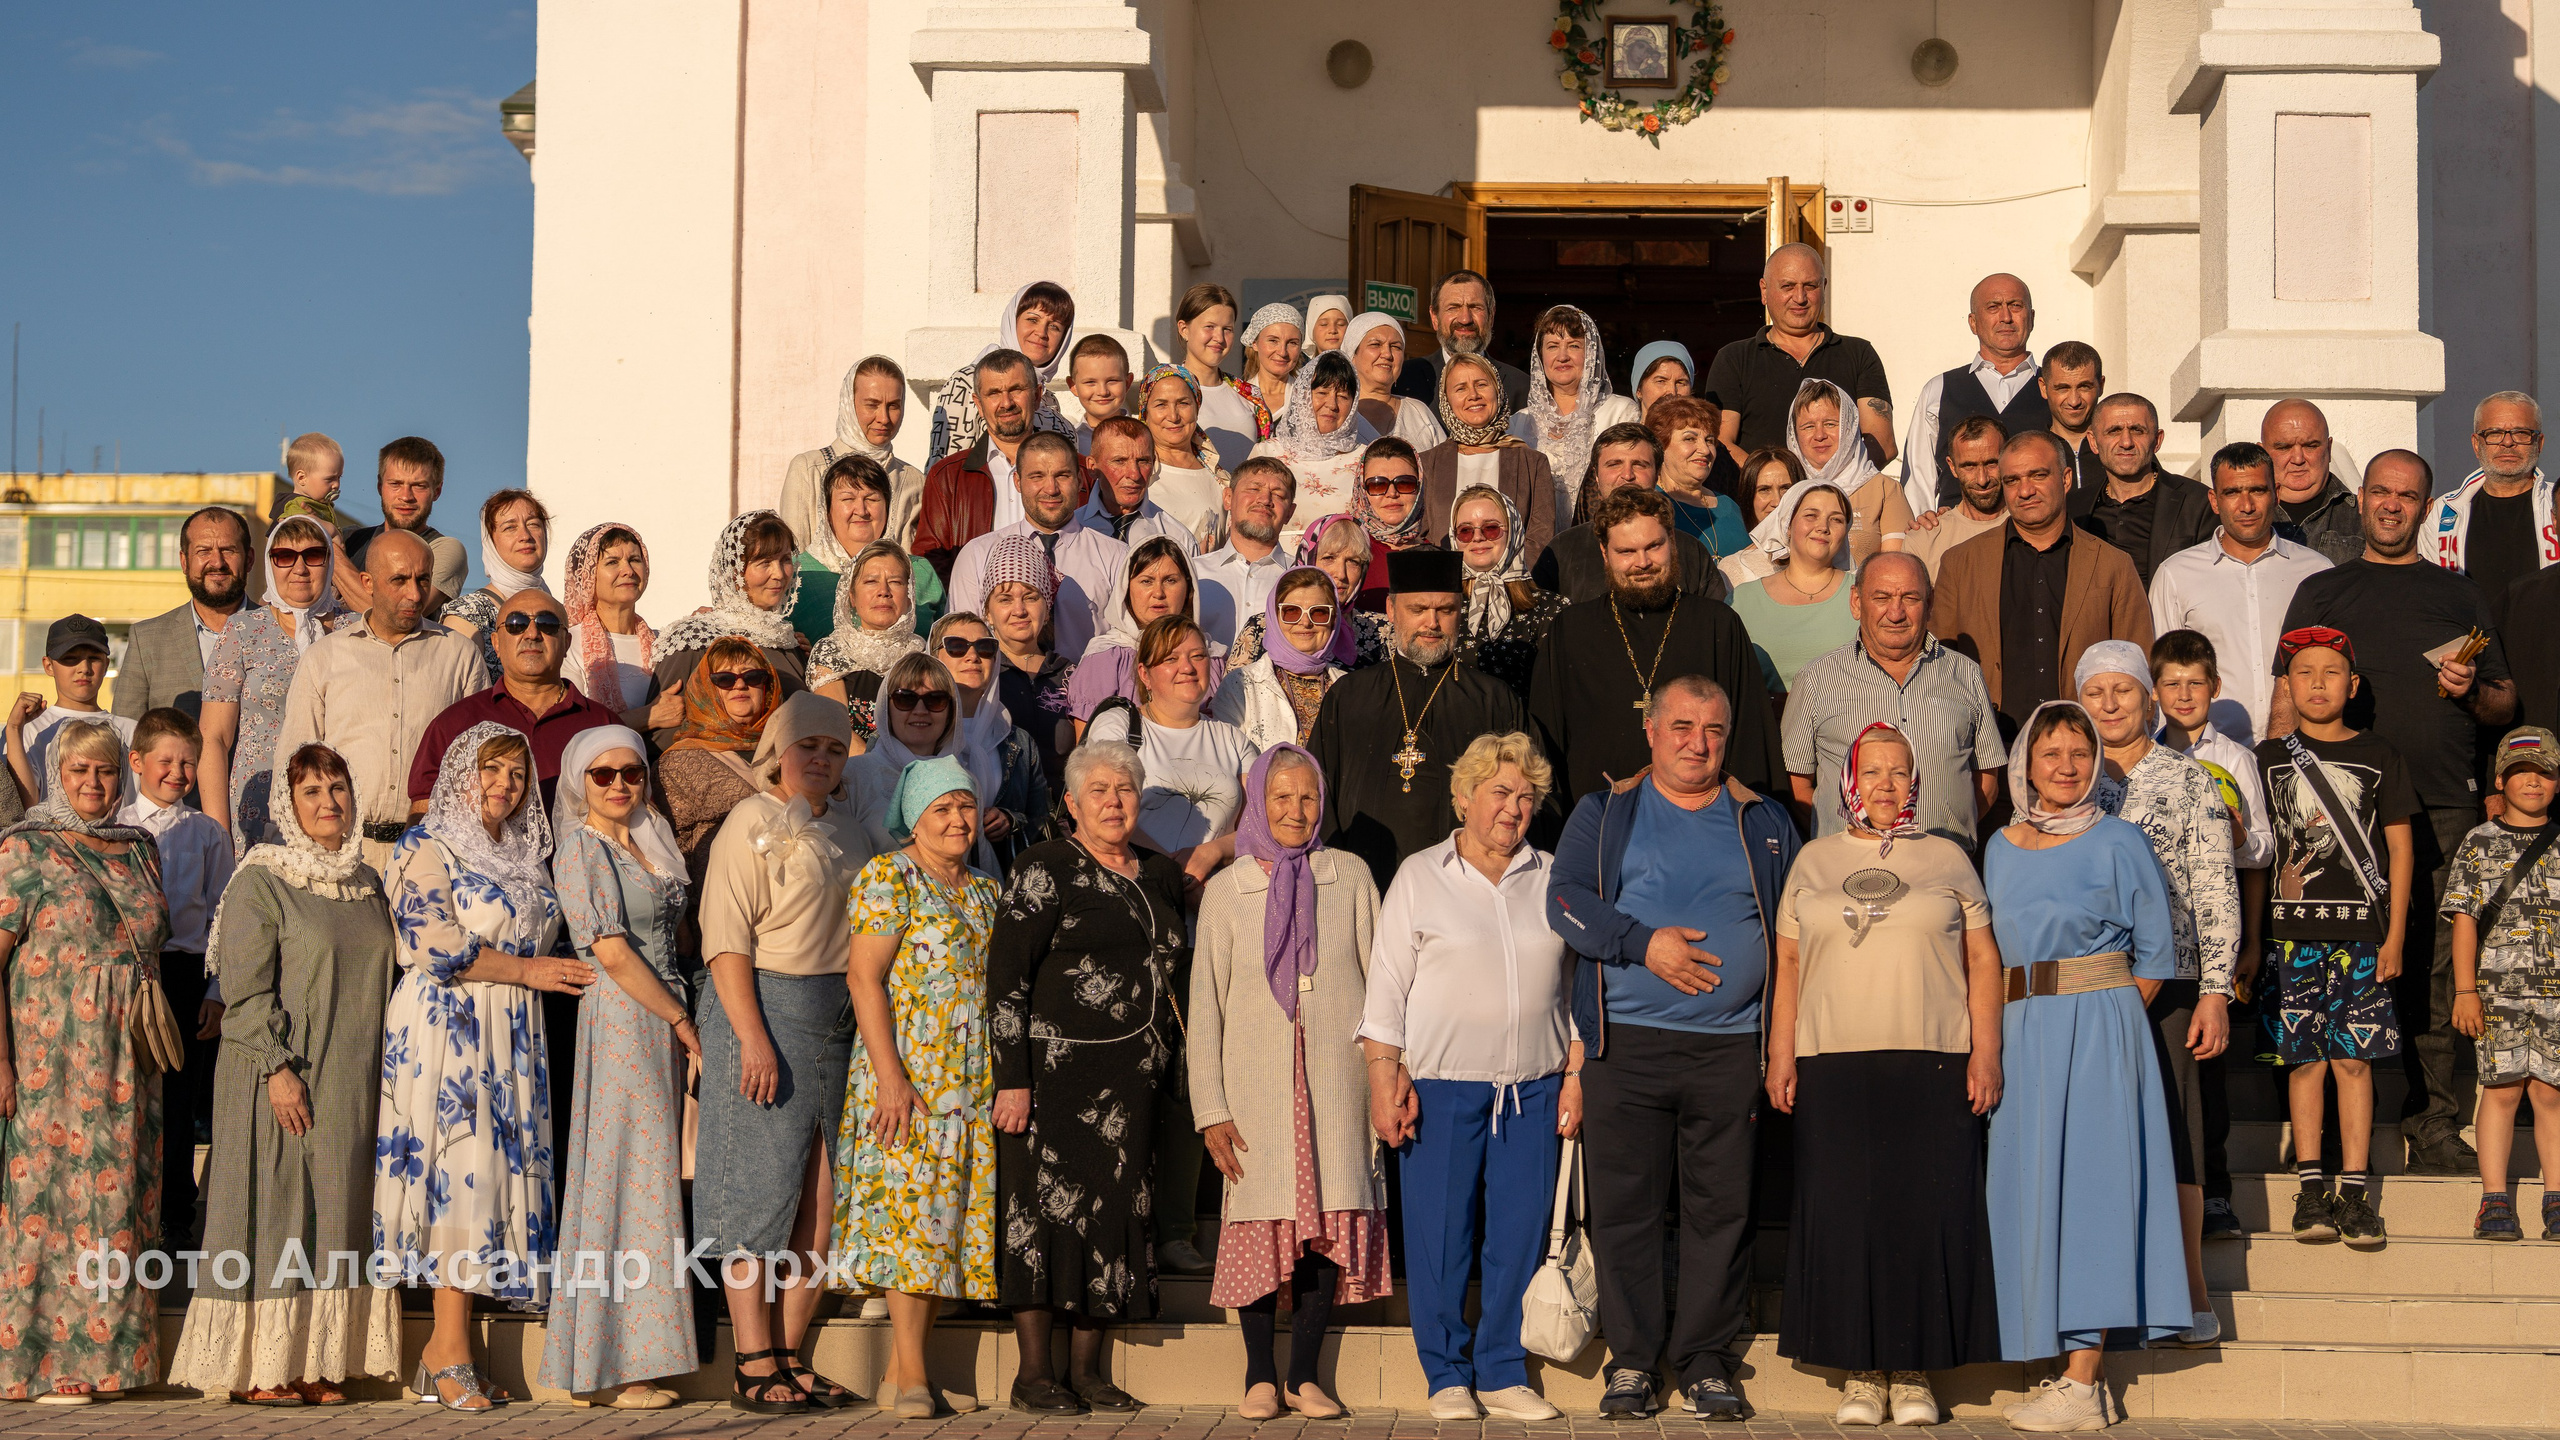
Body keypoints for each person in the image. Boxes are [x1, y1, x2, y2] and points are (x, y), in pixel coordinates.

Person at [1546, 676, 1800, 1421]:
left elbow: (1794, 932)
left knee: (1720, 1212)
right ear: (1651, 732)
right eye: (1682, 727)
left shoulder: (1766, 821)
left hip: (1729, 1049)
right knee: (1625, 1210)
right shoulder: (1606, 812)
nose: (1698, 742)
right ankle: (1631, 1363)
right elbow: (1564, 901)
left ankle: (1706, 1360)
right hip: (1625, 1048)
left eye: (1713, 730)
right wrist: (1642, 944)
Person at [2280, 451, 2516, 1175]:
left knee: (2437, 966)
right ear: (2360, 502)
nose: (2391, 505)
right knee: (2323, 958)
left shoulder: (2461, 595)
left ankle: (2433, 1118)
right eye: (2379, 492)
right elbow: (2287, 701)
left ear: (2424, 505)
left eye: (2406, 495)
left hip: (2444, 801)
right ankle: (2316, 1129)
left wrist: (2471, 688)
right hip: (2339, 808)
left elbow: (2506, 704)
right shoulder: (2321, 590)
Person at [1763, 722, 2003, 1427]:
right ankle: (1861, 1373)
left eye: (1900, 773)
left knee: (1924, 1214)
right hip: (1832, 1060)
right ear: (1849, 782)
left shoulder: (1951, 859)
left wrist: (1984, 1052)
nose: (1887, 786)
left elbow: (1985, 962)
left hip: (1933, 1057)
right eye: (1873, 773)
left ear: (1916, 781)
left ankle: (1914, 1369)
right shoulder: (1812, 860)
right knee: (1845, 1216)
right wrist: (1781, 1054)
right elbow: (1790, 965)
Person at [164, 742, 398, 1406]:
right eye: (312, 793)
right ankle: (263, 1368)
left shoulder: (366, 883)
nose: (329, 804)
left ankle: (316, 1360)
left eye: (338, 789)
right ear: (288, 808)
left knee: (336, 1218)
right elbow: (244, 990)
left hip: (351, 1079)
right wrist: (277, 1069)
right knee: (280, 1214)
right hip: (281, 1073)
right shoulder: (261, 879)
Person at [1980, 702, 2190, 1430]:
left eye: (2079, 752)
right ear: (2025, 765)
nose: (2065, 766)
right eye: (2050, 753)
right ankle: (2053, 1359)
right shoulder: (1999, 847)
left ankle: (2084, 1378)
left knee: (2095, 1192)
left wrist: (2097, 1017)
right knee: (2031, 1188)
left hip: (2098, 1029)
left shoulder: (2121, 841)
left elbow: (2156, 956)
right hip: (2016, 1029)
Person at [1361, 732, 1574, 1423]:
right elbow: (1387, 986)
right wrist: (1383, 1076)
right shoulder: (1421, 876)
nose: (1514, 808)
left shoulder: (1554, 874)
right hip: (1443, 1086)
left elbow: (1575, 987)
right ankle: (1447, 1373)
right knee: (1441, 1236)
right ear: (1463, 797)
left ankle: (1505, 1371)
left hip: (1534, 1087)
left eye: (1525, 796)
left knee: (1517, 1234)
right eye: (1499, 793)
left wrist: (1578, 1071)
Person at [374, 723, 583, 1410]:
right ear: (462, 773)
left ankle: (443, 1355)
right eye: (491, 771)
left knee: (491, 1181)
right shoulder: (424, 844)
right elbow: (436, 946)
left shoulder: (523, 856)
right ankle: (447, 1348)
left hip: (513, 1028)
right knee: (457, 1178)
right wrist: (530, 969)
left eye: (517, 776)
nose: (504, 786)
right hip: (448, 1026)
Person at [988, 743, 1190, 1415]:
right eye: (1098, 790)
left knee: (1115, 1215)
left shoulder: (1160, 874)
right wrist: (1011, 1079)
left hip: (1131, 1082)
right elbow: (1007, 981)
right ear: (1071, 803)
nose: (1113, 799)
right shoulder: (1044, 866)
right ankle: (1034, 1374)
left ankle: (1089, 1372)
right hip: (1052, 1079)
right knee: (1043, 1217)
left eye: (1126, 788)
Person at [1191, 745, 1387, 1421]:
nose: (1295, 811)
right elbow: (1206, 1009)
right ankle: (1258, 1375)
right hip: (1253, 1092)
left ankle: (1304, 1375)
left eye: (1307, 797)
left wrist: (1389, 1080)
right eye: (1280, 798)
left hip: (1337, 1086)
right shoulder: (1228, 890)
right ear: (1257, 803)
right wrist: (1210, 1108)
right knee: (1259, 1224)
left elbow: (1384, 991)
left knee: (1324, 1224)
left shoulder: (1351, 877)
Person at [695, 693, 873, 1413]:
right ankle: (750, 1359)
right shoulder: (748, 822)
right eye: (808, 747)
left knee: (821, 1194)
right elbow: (725, 939)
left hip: (837, 1016)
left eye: (834, 749)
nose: (822, 760)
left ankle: (791, 1356)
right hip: (763, 1003)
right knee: (757, 1188)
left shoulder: (857, 833)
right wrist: (751, 1036)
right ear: (778, 750)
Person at [0, 721, 171, 1403]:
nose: (94, 785)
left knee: (118, 1202)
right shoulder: (24, 851)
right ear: (55, 775)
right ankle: (40, 1364)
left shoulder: (140, 849)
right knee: (48, 1203)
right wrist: (2, 1065)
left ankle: (113, 1363)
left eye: (104, 772)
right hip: (52, 1060)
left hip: (127, 1060)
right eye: (78, 772)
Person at [2078, 641, 2240, 1345]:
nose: (2110, 705)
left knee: (2179, 1134)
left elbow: (2214, 886)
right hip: (2088, 986)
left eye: (2123, 690)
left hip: (2171, 984)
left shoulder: (2187, 778)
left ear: (2149, 697)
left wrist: (2215, 989)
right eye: (2095, 693)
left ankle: (2191, 1295)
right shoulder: (2066, 780)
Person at [539, 726, 700, 1409]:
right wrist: (679, 1019)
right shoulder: (581, 845)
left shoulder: (650, 837)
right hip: (627, 1015)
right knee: (627, 1180)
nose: (618, 786)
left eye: (630, 773)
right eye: (602, 775)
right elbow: (606, 947)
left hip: (660, 1010)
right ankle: (612, 1364)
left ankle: (613, 1360)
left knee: (646, 1177)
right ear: (580, 782)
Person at [837, 756, 1000, 1418]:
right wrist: (890, 1078)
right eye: (942, 809)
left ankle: (905, 1371)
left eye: (965, 806)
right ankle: (910, 1377)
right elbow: (863, 977)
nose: (958, 820)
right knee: (912, 1222)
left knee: (944, 1223)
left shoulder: (987, 889)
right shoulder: (889, 877)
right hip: (909, 1075)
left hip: (971, 1082)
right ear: (915, 816)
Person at [2254, 627, 2417, 1244]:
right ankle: (2311, 1188)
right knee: (2303, 1061)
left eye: (2330, 673)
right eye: (2303, 673)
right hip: (2292, 937)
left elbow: (2399, 849)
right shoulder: (2266, 759)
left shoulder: (2380, 754)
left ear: (2352, 685)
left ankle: (2355, 1192)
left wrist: (2395, 935)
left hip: (2362, 937)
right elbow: (2256, 854)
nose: (2317, 684)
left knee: (2353, 1059)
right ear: (2286, 686)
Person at [1529, 487, 1782, 805]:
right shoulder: (1571, 630)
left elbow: (1749, 738)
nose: (1642, 562)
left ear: (1673, 544)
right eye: (1626, 552)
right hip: (1598, 824)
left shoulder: (1718, 624)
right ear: (1605, 554)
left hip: (1699, 819)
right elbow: (1546, 747)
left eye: (1654, 546)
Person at [2150, 628, 2275, 1243]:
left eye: (2194, 683)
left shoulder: (2233, 758)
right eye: (2170, 683)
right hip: (2153, 942)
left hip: (2213, 939)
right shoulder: (2137, 756)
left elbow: (2259, 855)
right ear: (2154, 691)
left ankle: (2216, 1191)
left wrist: (2249, 944)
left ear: (2215, 687)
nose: (2183, 694)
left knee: (2209, 1068)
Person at [1310, 549, 1526, 892]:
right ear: (1392, 610)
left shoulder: (1493, 700)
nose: (1432, 623)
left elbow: (1523, 798)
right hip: (1360, 885)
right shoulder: (1349, 696)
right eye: (1418, 609)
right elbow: (1318, 793)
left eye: (1446, 610)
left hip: (1463, 890)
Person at [275, 530, 489, 871]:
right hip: (343, 854)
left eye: (423, 580)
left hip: (434, 857)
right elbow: (294, 765)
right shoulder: (324, 657)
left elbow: (481, 761)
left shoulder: (459, 656)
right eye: (399, 580)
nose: (414, 593)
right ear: (367, 582)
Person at [1931, 430, 2154, 731]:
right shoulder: (1960, 563)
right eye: (2012, 481)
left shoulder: (2112, 565)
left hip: (2083, 752)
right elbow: (1938, 665)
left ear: (2065, 479)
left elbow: (2138, 664)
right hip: (1989, 754)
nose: (2025, 491)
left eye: (2037, 476)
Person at [1785, 552, 2004, 849]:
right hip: (1848, 869)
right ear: (1856, 602)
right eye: (1882, 597)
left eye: (1911, 598)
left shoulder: (1965, 674)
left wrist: (1944, 841)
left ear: (1930, 604)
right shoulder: (1816, 679)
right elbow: (1797, 786)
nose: (1896, 612)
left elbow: (1987, 780)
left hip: (1942, 868)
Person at [118, 710, 233, 1254]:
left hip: (184, 972)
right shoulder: (114, 825)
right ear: (137, 761)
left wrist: (215, 991)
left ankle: (175, 1216)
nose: (178, 772)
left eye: (188, 762)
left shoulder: (207, 833)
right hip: (125, 970)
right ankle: (123, 1208)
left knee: (179, 1097)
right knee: (125, 1091)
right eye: (165, 760)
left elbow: (222, 919)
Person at [2445, 727, 2560, 1241]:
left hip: (2555, 995)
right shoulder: (2479, 842)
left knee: (2551, 1094)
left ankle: (2555, 1197)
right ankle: (2494, 1198)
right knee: (2501, 1091)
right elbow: (2464, 919)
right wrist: (2465, 990)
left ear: (2557, 781)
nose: (2532, 781)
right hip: (2497, 995)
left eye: (2543, 772)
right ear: (2499, 780)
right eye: (2520, 773)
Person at [2148, 441, 2333, 745]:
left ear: (2277, 493)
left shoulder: (2316, 571)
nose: (2246, 506)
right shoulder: (2176, 575)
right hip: (2210, 758)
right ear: (2214, 500)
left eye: (2257, 491)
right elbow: (2165, 676)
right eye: (2232, 493)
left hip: (2301, 752)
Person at [201, 516, 356, 851]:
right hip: (259, 814)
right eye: (284, 556)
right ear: (270, 562)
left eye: (314, 555)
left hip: (339, 812)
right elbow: (213, 737)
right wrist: (219, 836)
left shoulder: (356, 630)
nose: (299, 567)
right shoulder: (242, 630)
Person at [407, 589, 619, 820]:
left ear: (567, 642)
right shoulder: (456, 723)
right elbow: (423, 813)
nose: (532, 634)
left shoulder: (603, 725)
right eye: (516, 624)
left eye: (547, 623)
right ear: (496, 643)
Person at [1703, 243, 1894, 460]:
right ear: (1764, 290)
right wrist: (1771, 484)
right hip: (1760, 492)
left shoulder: (1859, 355)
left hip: (1842, 492)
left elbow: (1882, 444)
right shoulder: (1733, 360)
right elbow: (1720, 442)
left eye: (1810, 286)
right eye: (1788, 286)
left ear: (1824, 287)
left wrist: (1827, 489)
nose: (1800, 297)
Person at [950, 429, 1127, 661]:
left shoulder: (1117, 557)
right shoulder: (978, 555)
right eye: (1037, 476)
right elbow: (963, 643)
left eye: (1062, 475)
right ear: (1017, 481)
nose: (1051, 489)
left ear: (1080, 479)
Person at [779, 355, 928, 618]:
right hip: (815, 610)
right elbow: (792, 554)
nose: (883, 417)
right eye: (872, 404)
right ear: (849, 403)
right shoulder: (809, 468)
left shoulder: (912, 480)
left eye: (894, 406)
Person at [645, 510, 808, 749]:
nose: (779, 574)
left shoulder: (787, 640)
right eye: (764, 563)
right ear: (734, 572)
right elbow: (662, 737)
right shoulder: (696, 638)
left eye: (785, 560)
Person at [1899, 273, 2046, 517]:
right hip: (1959, 540)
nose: (2006, 317)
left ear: (2031, 318)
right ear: (1973, 322)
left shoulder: (2054, 390)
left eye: (2015, 306)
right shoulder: (1940, 389)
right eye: (1993, 307)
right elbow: (1918, 480)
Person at [1534, 424, 1726, 604]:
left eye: (1640, 464)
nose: (1627, 475)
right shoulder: (1562, 549)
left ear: (1657, 472)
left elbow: (1713, 622)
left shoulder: (1692, 551)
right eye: (1614, 464)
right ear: (1596, 475)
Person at [659, 639, 781, 899]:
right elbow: (668, 853)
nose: (739, 685)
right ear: (706, 688)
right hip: (719, 904)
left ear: (767, 687)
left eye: (753, 676)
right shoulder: (680, 762)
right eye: (724, 679)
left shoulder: (793, 746)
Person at [788, 453, 946, 650]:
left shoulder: (919, 571)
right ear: (827, 511)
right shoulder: (796, 574)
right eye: (848, 498)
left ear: (888, 508)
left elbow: (943, 643)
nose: (861, 510)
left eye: (872, 498)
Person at [917, 349, 1052, 574]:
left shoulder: (1073, 472)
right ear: (978, 404)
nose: (1006, 403)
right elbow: (930, 562)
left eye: (1016, 389)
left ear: (1037, 396)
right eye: (994, 393)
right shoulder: (946, 478)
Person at [1723, 478, 1860, 698]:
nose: (1823, 527)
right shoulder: (1744, 600)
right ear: (1788, 524)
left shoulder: (1862, 595)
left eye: (1836, 520)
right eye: (1810, 516)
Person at [931, 612, 1048, 869]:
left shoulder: (1019, 742)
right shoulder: (916, 733)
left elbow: (1041, 818)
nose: (972, 656)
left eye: (985, 647)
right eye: (957, 646)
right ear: (934, 657)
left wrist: (1010, 819)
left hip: (1004, 880)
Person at [115, 505, 251, 723]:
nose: (217, 562)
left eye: (228, 550)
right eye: (203, 551)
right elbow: (125, 732)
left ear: (249, 558)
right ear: (184, 561)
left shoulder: (279, 631)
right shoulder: (147, 639)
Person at [2066, 393, 2217, 586]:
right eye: (2114, 431)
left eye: (2137, 430)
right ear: (2094, 442)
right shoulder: (2072, 508)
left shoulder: (2197, 504)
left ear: (2157, 440)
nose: (2126, 442)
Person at [1418, 354, 1557, 560]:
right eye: (1461, 388)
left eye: (1481, 384)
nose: (1473, 395)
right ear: (1446, 399)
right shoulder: (1427, 464)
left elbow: (1540, 539)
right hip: (1447, 587)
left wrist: (1506, 583)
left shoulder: (1532, 463)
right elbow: (1422, 536)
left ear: (1498, 391)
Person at [1070, 537, 1217, 726]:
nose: (1158, 593)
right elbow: (1089, 747)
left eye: (1170, 580)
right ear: (1126, 588)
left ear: (1188, 587)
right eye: (1147, 581)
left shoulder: (1212, 656)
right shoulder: (1106, 658)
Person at [1514, 304, 1640, 520]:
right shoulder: (1519, 422)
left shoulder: (1620, 413)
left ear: (1590, 353)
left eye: (1573, 346)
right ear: (1540, 356)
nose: (1562, 356)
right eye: (1552, 346)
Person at [929, 281, 1077, 464]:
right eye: (1032, 319)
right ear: (1012, 321)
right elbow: (942, 468)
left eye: (1054, 326)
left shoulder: (1049, 400)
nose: (1042, 332)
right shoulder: (966, 383)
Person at [2427, 390, 2558, 596]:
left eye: (2521, 433)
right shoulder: (2443, 513)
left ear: (2539, 443)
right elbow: (2431, 594)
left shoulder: (2556, 505)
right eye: (2494, 433)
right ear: (2476, 444)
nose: (2507, 442)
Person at [1229, 514, 1394, 670]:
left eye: (1353, 562)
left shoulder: (1383, 633)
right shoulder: (1260, 628)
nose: (1341, 574)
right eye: (1329, 558)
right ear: (1307, 559)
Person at [982, 533, 1080, 791]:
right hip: (997, 818)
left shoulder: (1072, 675)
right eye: (1005, 599)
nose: (1019, 610)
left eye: (1031, 596)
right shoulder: (979, 673)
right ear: (987, 613)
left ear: (1047, 609)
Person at [1782, 377, 1913, 568]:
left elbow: (1896, 566)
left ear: (1849, 428)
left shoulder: (1884, 489)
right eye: (1809, 426)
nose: (1819, 435)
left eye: (1830, 424)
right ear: (1794, 433)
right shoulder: (1784, 487)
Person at [1449, 485, 1565, 698]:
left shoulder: (1551, 610)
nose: (1477, 538)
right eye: (1465, 531)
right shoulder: (1444, 607)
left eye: (1490, 528)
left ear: (1513, 532)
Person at [7, 616, 136, 808]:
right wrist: (13, 729)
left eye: (93, 658)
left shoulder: (132, 730)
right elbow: (25, 808)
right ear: (48, 666)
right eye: (70, 659)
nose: (84, 668)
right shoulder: (27, 730)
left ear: (106, 665)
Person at [1216, 568, 1350, 750]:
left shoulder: (1350, 687)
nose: (1305, 622)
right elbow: (1226, 756)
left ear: (1333, 620)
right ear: (1274, 617)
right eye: (1292, 611)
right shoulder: (1240, 685)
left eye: (1318, 612)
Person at [807, 540, 926, 744]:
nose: (883, 591)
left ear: (909, 596)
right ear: (851, 596)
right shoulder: (833, 652)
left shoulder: (922, 654)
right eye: (871, 581)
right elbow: (836, 728)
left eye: (896, 582)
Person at [341, 436, 470, 614]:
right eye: (395, 484)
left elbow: (387, 619)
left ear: (437, 491)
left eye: (419, 486)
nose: (406, 496)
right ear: (380, 486)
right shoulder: (350, 541)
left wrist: (333, 556)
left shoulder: (444, 550)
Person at [1250, 350, 1365, 548]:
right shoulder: (1268, 454)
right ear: (1302, 396)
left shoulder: (1364, 459)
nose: (1332, 404)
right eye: (1322, 393)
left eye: (1343, 396)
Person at [441, 488, 554, 677]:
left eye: (533, 524)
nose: (525, 535)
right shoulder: (468, 614)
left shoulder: (553, 609)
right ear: (490, 542)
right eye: (510, 527)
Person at [559, 521, 662, 726]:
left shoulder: (663, 642)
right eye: (613, 562)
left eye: (634, 560)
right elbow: (573, 724)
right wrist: (649, 718)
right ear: (587, 576)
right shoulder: (569, 644)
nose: (628, 571)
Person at [1393, 269, 1532, 413]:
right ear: (1434, 318)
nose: (1465, 319)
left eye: (1475, 307)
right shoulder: (1403, 380)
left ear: (1491, 316)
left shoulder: (1520, 387)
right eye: (1453, 308)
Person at [1196, 456, 1299, 649]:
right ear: (1228, 498)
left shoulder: (1304, 579)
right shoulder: (1193, 573)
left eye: (1278, 494)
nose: (1265, 500)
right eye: (1254, 489)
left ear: (1290, 513)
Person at [1902, 416, 2009, 579]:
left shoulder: (2035, 527)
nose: (1982, 479)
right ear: (1952, 467)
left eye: (1991, 463)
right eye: (1969, 466)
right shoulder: (1925, 539)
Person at [2263, 398, 2365, 566]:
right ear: (2262, 452)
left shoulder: (2364, 517)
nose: (2297, 459)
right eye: (2284, 447)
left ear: (2329, 448)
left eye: (2310, 446)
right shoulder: (2239, 515)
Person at [1173, 283, 1264, 472]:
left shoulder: (1248, 395)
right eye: (1209, 327)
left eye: (1227, 329)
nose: (1219, 338)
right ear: (1184, 329)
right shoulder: (1167, 391)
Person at [1077, 413, 1201, 553]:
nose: (1134, 474)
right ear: (1092, 467)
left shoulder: (1179, 539)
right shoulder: (1067, 532)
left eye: (1143, 461)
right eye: (1119, 461)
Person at [1648, 397, 1752, 560]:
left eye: (1709, 440)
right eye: (1690, 439)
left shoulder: (1730, 506)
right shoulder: (1648, 508)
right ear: (1661, 445)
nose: (1705, 450)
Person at [1340, 311, 1447, 451]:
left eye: (1396, 347)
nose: (1387, 354)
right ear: (1352, 354)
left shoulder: (1419, 413)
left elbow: (1442, 466)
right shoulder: (1338, 411)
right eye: (1375, 344)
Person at [2037, 342, 2107, 490]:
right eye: (2063, 388)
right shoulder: (2031, 450)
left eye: (2084, 387)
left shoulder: (2119, 447)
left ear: (2101, 385)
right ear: (2043, 388)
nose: (2074, 401)